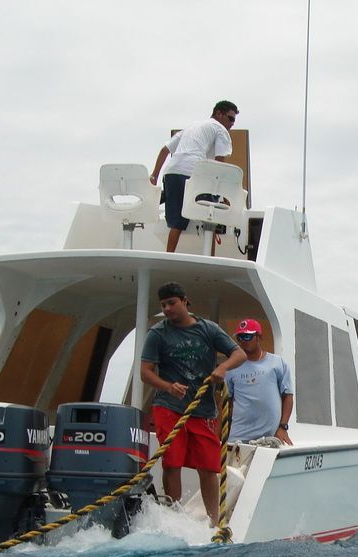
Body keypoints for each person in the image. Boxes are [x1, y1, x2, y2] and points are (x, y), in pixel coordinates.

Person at [139, 282, 246, 519]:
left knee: (209, 466)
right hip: (168, 407)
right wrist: (168, 386)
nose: (167, 309)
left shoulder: (208, 329)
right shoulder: (157, 333)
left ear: (185, 301)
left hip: (203, 409)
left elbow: (240, 353)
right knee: (171, 462)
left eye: (171, 303)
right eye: (163, 305)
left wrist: (223, 369)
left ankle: (213, 520)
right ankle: (174, 517)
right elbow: (145, 372)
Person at [150, 100, 239, 253]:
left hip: (171, 172)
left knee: (176, 223)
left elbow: (165, 150)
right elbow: (219, 163)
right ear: (218, 113)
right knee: (211, 217)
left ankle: (169, 256)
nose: (232, 124)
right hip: (192, 174)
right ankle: (210, 260)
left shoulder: (191, 127)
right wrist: (222, 194)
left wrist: (154, 176)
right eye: (230, 118)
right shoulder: (220, 129)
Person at [225, 319, 294, 446]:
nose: (243, 341)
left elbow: (288, 396)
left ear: (259, 337)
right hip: (238, 438)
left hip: (270, 439)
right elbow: (226, 403)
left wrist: (283, 427)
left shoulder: (278, 363)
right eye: (240, 337)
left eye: (247, 336)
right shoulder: (231, 367)